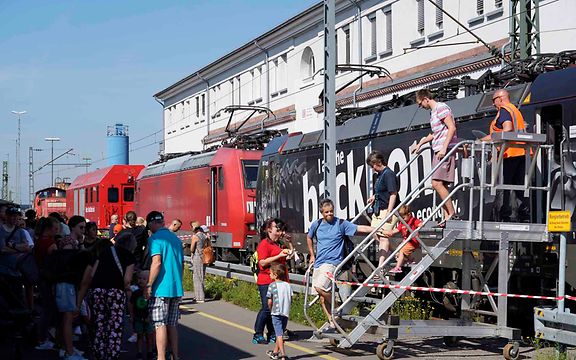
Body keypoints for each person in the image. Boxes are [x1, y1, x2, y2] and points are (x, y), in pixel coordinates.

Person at [306, 199, 374, 332]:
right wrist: (312, 255)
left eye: (331, 211)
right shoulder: (317, 225)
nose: (330, 214)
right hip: (319, 262)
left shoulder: (341, 224)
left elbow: (359, 228)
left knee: (320, 288)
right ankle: (333, 322)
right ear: (322, 213)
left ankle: (337, 308)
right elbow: (309, 237)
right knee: (321, 297)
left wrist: (375, 229)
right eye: (327, 212)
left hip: (332, 263)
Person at [76, 236, 135, 360]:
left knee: (98, 325)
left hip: (97, 291)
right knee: (114, 327)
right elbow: (127, 281)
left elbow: (90, 276)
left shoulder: (103, 252)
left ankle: (98, 354)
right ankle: (111, 355)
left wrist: (79, 300)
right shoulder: (129, 256)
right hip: (116, 293)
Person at [480, 89, 530, 222]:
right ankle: (524, 216)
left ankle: (503, 216)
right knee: (520, 187)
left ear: (500, 99)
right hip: (522, 152)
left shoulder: (504, 110)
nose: (493, 104)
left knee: (503, 187)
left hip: (509, 153)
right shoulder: (515, 110)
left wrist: (481, 141)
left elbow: (507, 128)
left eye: (494, 100)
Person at [413, 89, 458, 227]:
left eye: (421, 104)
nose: (421, 107)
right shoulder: (433, 113)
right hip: (438, 150)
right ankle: (446, 217)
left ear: (426, 98)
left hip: (444, 150)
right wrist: (420, 143)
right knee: (442, 185)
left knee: (436, 183)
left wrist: (444, 147)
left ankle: (451, 214)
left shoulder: (441, 108)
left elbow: (451, 127)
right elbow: (435, 133)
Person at [145, 211, 184, 360]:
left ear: (151, 223)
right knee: (172, 324)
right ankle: (175, 355)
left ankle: (161, 357)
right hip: (176, 288)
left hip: (160, 288)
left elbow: (157, 263)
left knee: (159, 324)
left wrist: (149, 285)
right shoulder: (176, 239)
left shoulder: (155, 239)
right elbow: (182, 265)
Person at [253, 218, 290, 345]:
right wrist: (279, 256)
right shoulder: (264, 244)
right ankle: (258, 333)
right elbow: (262, 262)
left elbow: (289, 256)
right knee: (266, 308)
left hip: (278, 281)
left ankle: (272, 333)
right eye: (277, 230)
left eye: (281, 231)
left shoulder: (277, 244)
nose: (280, 233)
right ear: (269, 230)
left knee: (275, 309)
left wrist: (289, 245)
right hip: (266, 280)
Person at [366, 150, 399, 271]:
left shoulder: (388, 174)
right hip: (378, 209)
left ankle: (380, 267)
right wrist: (374, 197)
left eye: (372, 165)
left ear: (377, 162)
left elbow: (393, 193)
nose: (372, 169)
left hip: (388, 209)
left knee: (384, 237)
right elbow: (381, 190)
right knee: (374, 233)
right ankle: (398, 253)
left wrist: (390, 212)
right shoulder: (380, 175)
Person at [34, 216, 60, 351]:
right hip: (49, 279)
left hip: (41, 277)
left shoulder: (39, 241)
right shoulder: (51, 243)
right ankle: (43, 338)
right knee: (49, 309)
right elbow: (55, 263)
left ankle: (43, 336)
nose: (57, 231)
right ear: (49, 229)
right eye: (55, 229)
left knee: (46, 308)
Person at [383, 205, 422, 273]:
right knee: (399, 250)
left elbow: (420, 224)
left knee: (402, 250)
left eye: (403, 217)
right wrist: (390, 232)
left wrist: (420, 225)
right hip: (406, 241)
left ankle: (398, 267)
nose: (402, 219)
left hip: (413, 242)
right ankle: (410, 259)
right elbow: (397, 230)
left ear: (409, 214)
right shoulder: (402, 222)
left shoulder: (413, 220)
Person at [265, 263, 292, 360]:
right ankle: (275, 352)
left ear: (275, 275)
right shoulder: (288, 285)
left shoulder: (272, 285)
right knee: (280, 332)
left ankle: (283, 355)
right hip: (285, 312)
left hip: (276, 312)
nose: (269, 275)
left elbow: (269, 301)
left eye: (271, 273)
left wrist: (270, 308)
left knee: (279, 334)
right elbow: (290, 298)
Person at [129, 270, 155, 360]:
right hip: (138, 318)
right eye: (139, 278)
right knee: (139, 335)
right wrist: (131, 316)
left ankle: (150, 351)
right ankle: (139, 352)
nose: (141, 280)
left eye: (144, 279)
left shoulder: (151, 294)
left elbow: (153, 306)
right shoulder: (136, 293)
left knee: (149, 336)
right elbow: (131, 304)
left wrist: (150, 316)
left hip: (148, 318)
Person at [190, 224, 209, 303]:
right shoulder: (205, 237)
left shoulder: (195, 237)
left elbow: (192, 249)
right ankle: (200, 296)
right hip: (204, 257)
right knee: (202, 276)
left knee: (197, 277)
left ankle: (199, 297)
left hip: (197, 257)